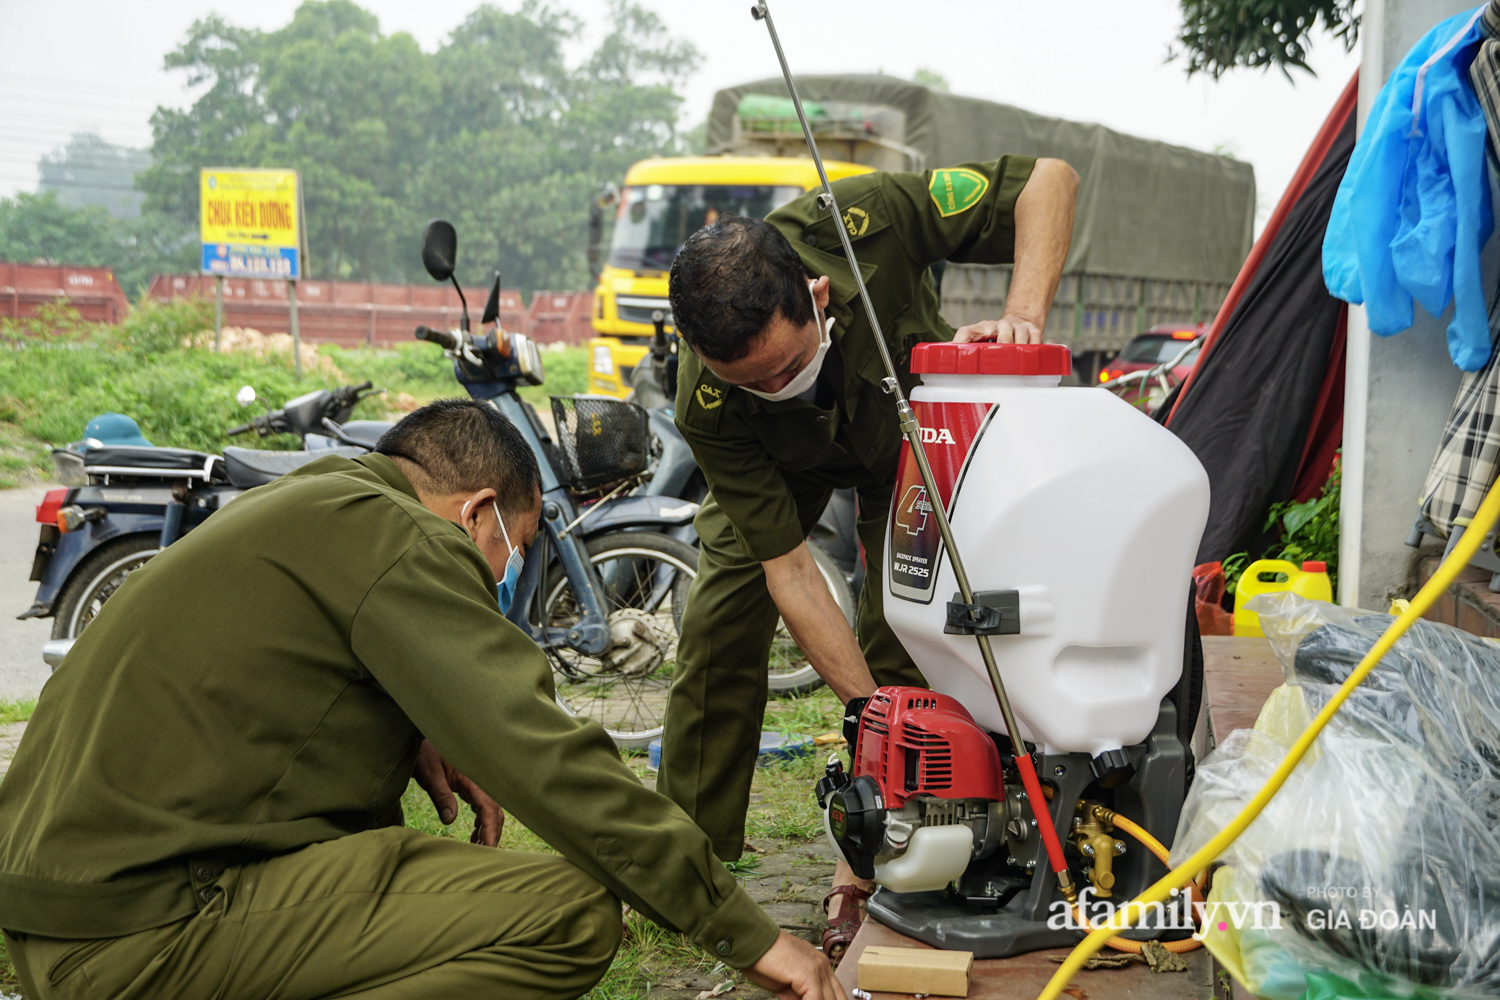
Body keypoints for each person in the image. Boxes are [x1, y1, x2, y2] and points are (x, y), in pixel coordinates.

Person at [0, 399, 843, 1000]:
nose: (504, 577)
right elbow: (546, 756)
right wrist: (750, 935)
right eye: (508, 552)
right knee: (571, 914)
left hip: (61, 914)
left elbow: (271, 688)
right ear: (474, 511)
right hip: (138, 940)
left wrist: (409, 726)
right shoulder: (406, 539)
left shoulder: (322, 498)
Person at [660, 155, 1078, 960]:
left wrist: (1023, 317)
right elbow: (787, 569)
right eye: (751, 382)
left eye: (785, 368)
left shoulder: (864, 222)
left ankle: (890, 857)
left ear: (815, 298)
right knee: (719, 625)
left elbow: (1048, 180)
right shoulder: (708, 400)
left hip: (902, 441)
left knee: (902, 629)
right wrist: (871, 717)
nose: (775, 386)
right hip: (777, 468)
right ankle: (691, 865)